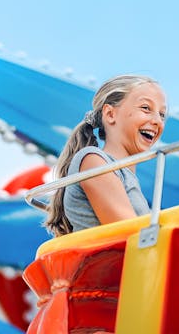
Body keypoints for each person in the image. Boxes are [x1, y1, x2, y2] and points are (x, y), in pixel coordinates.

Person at [44, 74, 167, 236]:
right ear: (110, 114)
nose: (158, 121)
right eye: (145, 108)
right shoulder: (93, 161)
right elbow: (131, 235)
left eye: (162, 114)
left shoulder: (127, 177)